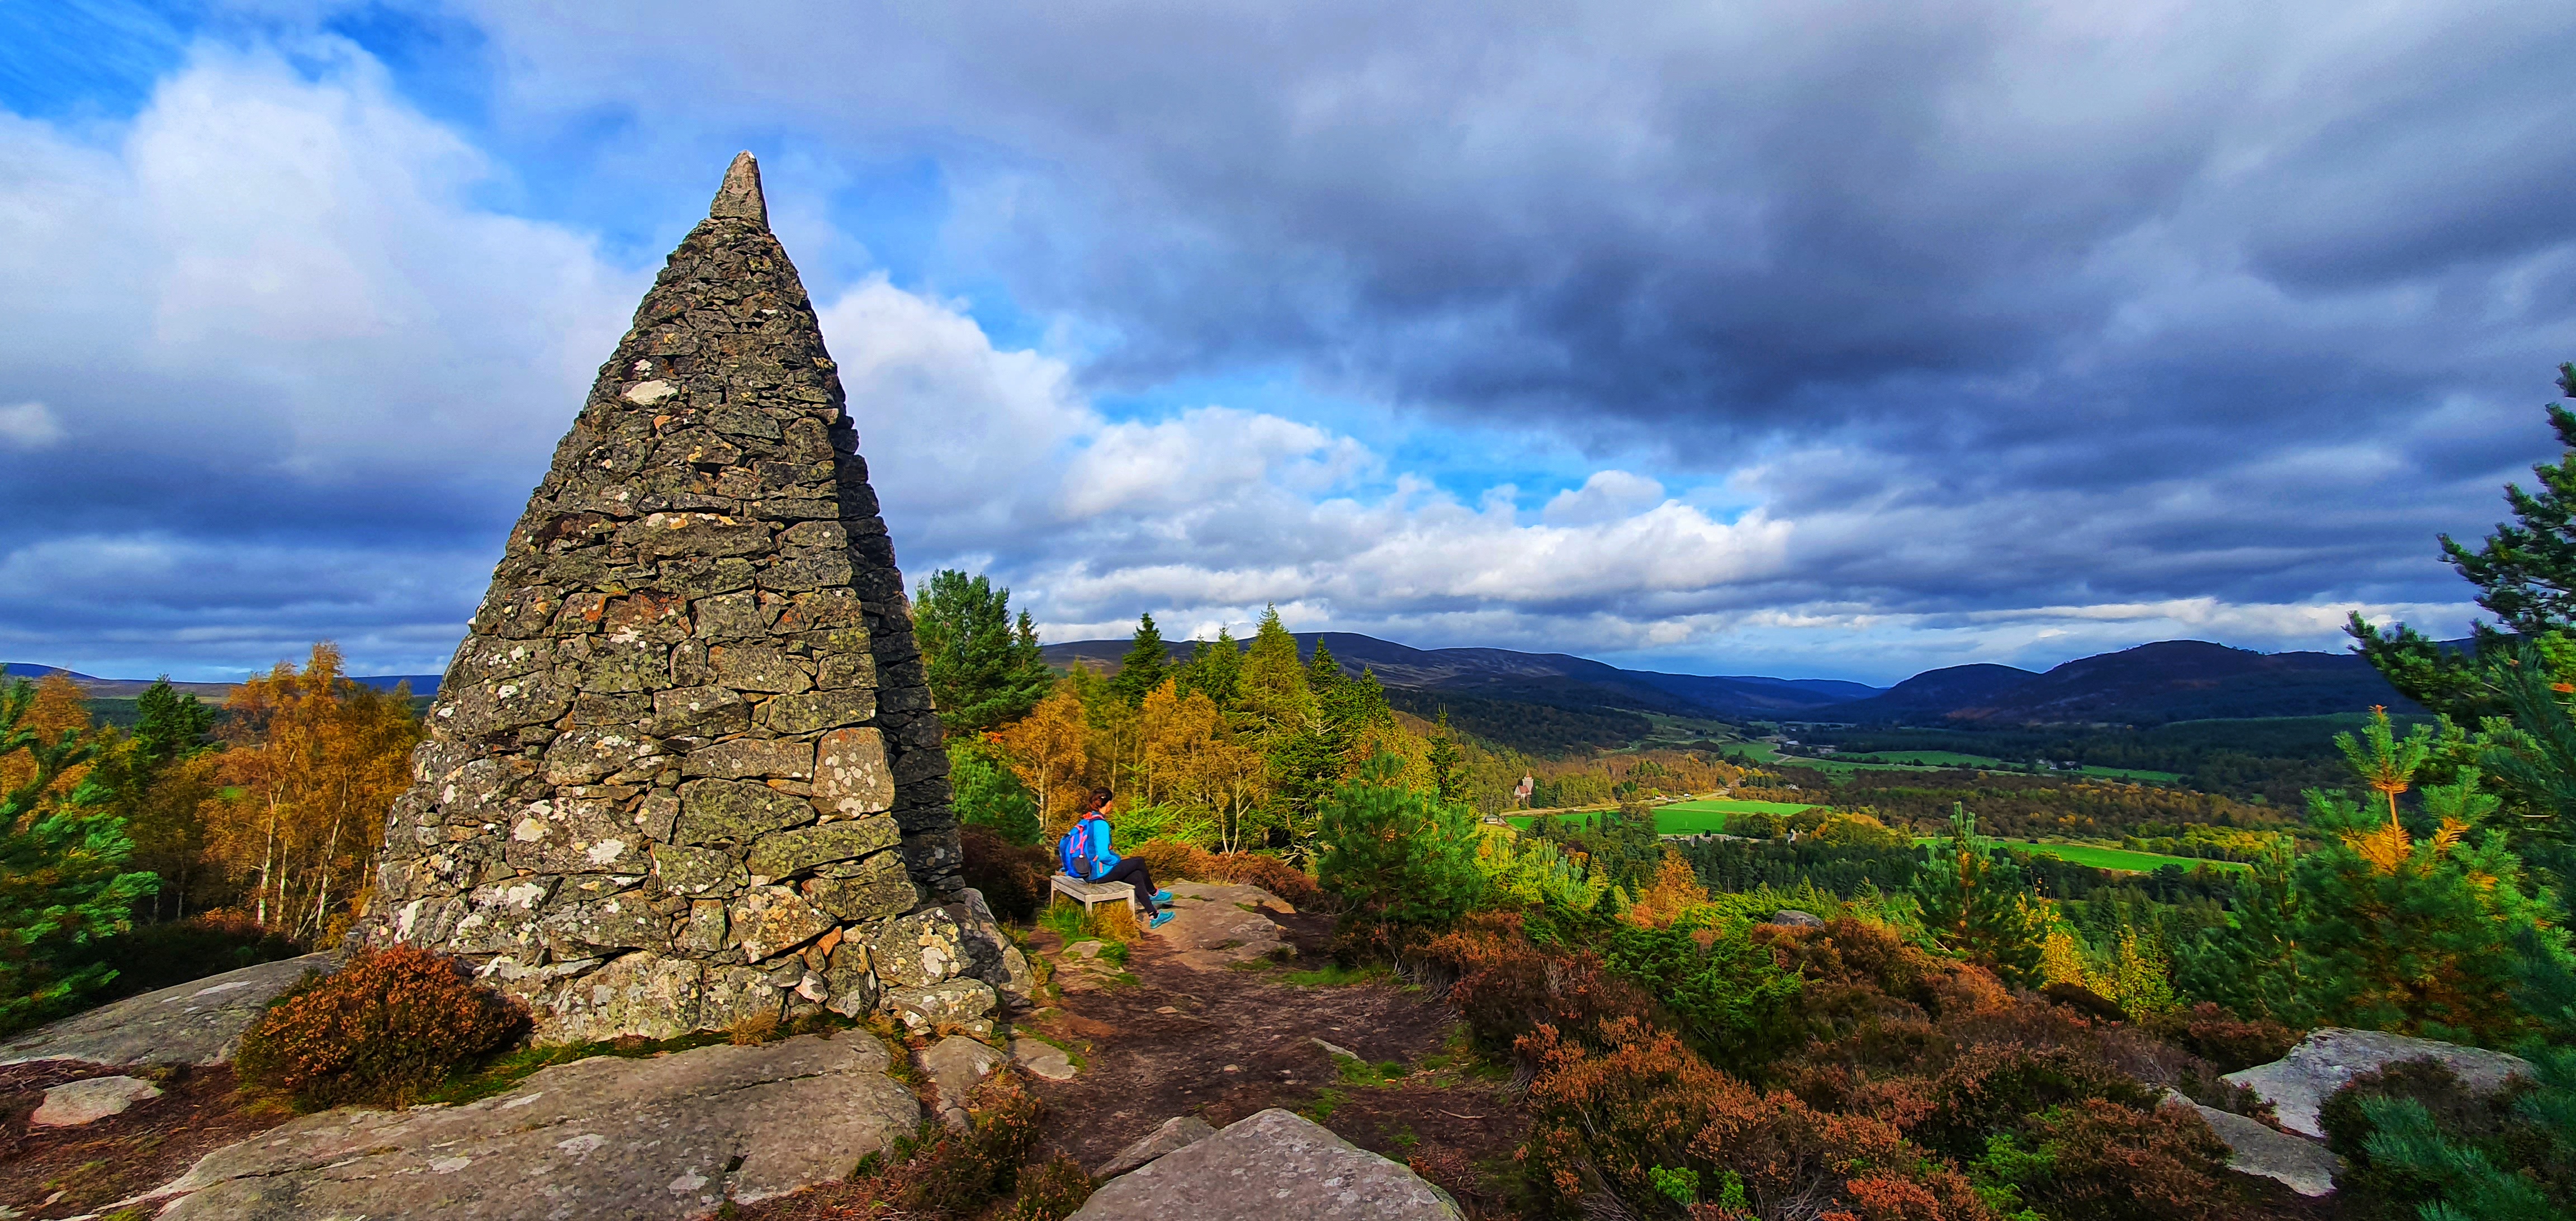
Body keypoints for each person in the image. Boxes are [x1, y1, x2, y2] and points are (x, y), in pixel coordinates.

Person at [1060, 788, 1176, 929]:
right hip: (1098, 874)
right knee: (1139, 861)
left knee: (1136, 876)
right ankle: (1154, 893)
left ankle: (1154, 915)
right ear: (1108, 803)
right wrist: (1117, 860)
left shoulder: (1089, 819)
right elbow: (1103, 855)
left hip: (1088, 872)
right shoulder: (1101, 824)